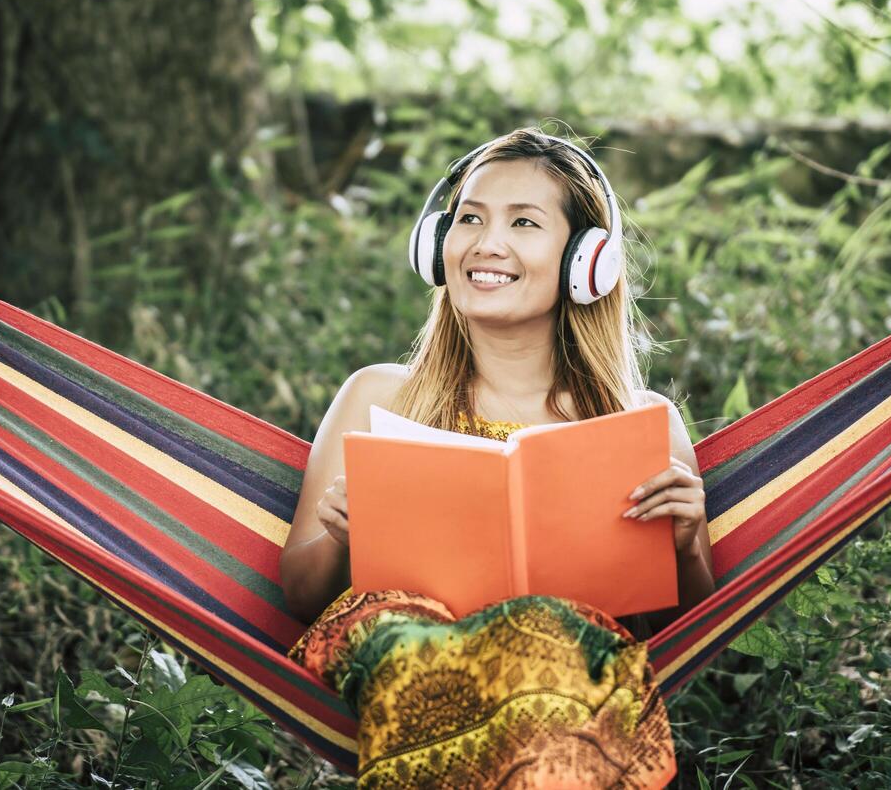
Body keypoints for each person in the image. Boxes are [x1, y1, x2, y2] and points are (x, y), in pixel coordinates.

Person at [280, 126, 715, 789]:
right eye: (469, 219)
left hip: (559, 675)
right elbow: (299, 594)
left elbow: (687, 625)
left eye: (523, 223)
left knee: (544, 641)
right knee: (440, 649)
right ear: (436, 246)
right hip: (403, 651)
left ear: (585, 260)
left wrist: (684, 542)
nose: (487, 243)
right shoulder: (377, 397)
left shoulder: (636, 422)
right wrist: (341, 536)